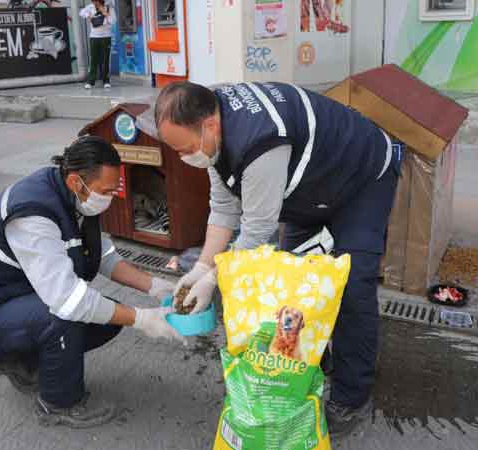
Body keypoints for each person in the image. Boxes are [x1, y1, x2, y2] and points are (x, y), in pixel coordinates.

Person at [154, 81, 403, 437]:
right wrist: (201, 267)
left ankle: (352, 396)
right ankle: (315, 361)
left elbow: (255, 231)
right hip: (310, 185)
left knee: (352, 287)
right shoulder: (213, 132)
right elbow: (224, 209)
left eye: (185, 147)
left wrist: (214, 280)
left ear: (209, 124)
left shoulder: (260, 143)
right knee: (291, 287)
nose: (184, 157)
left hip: (360, 179)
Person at [0, 136, 183, 429]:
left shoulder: (75, 199)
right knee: (64, 315)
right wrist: (144, 319)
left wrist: (156, 286)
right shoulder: (32, 214)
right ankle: (58, 404)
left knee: (106, 319)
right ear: (76, 181)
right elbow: (67, 300)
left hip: (16, 302)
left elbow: (104, 255)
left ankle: (23, 363)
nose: (110, 198)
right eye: (106, 191)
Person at [80, 0, 116, 89]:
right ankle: (91, 81)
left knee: (105, 59)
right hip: (94, 36)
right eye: (93, 1)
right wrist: (88, 16)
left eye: (96, 1)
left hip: (106, 36)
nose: (95, 3)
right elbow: (81, 12)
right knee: (94, 59)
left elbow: (113, 21)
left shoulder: (109, 8)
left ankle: (106, 80)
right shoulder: (90, 7)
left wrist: (105, 13)